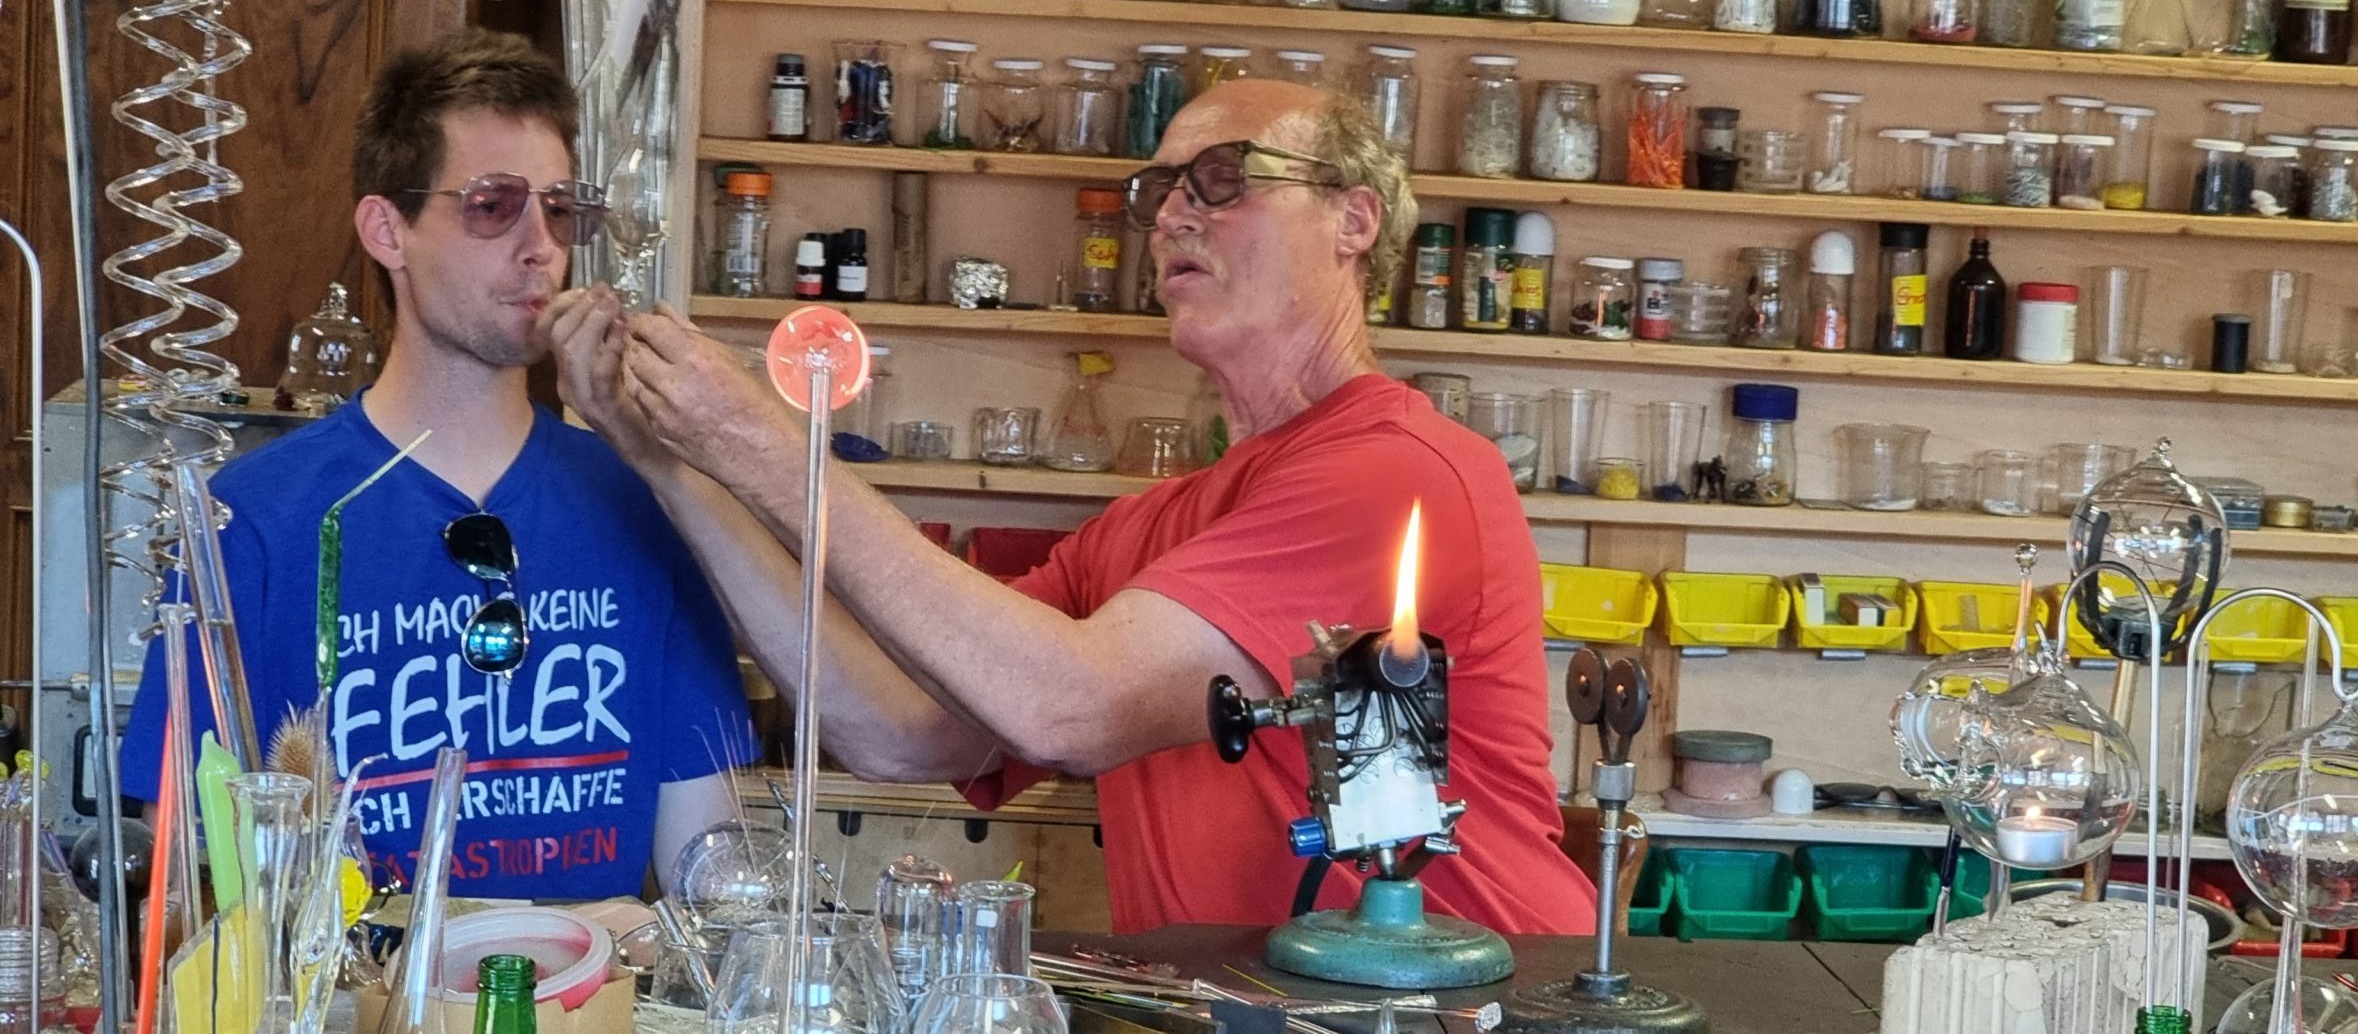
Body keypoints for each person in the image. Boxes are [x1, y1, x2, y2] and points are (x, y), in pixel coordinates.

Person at [548, 79, 1595, 931]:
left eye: (1223, 178)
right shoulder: (1143, 533)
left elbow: (1073, 708)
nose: (1172, 213)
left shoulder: (1397, 470)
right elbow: (903, 733)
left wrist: (768, 449)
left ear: (1353, 220)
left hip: (1462, 1006)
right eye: (1160, 189)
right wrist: (678, 468)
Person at [120, 28, 753, 900]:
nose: (541, 245)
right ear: (388, 229)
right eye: (493, 205)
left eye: (560, 209)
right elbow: (186, 884)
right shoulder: (250, 522)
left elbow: (709, 877)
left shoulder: (647, 503)